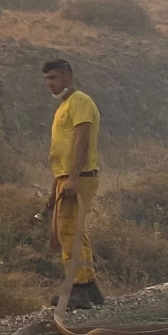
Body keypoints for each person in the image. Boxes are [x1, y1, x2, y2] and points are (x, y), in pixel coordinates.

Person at [43, 58, 105, 309]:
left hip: (78, 177)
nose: (50, 83)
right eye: (47, 79)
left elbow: (82, 140)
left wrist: (73, 178)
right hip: (67, 177)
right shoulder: (65, 105)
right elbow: (63, 151)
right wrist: (54, 188)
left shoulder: (79, 102)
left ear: (68, 75)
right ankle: (89, 287)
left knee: (68, 231)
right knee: (78, 231)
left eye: (54, 78)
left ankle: (77, 289)